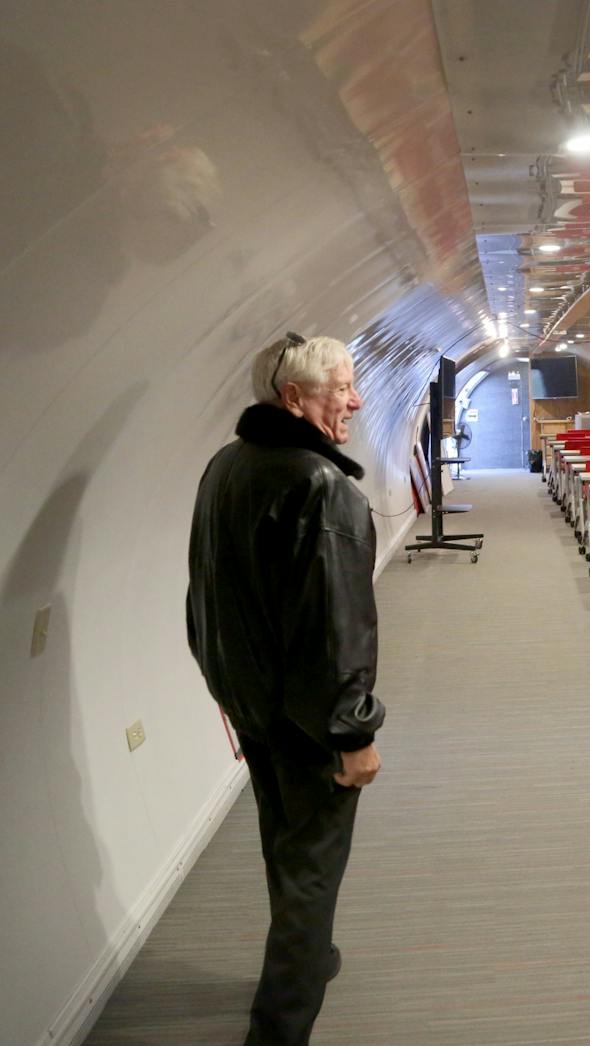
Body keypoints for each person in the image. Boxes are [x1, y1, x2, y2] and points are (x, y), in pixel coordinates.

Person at [186, 332, 385, 1045]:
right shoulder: (321, 487)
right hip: (308, 721)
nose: (356, 400)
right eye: (342, 388)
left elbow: (205, 592)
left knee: (284, 841)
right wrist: (353, 733)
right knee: (312, 870)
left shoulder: (225, 466)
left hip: (253, 706)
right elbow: (338, 629)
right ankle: (277, 1029)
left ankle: (312, 957)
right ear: (293, 398)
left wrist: (226, 687)